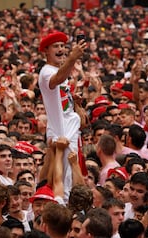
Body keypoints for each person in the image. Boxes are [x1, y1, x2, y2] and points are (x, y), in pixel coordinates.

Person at [38, 31, 86, 200]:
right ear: (46, 51)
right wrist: (72, 58)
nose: (61, 50)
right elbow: (56, 79)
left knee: (72, 176)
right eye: (56, 46)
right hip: (61, 132)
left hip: (70, 129)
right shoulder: (46, 71)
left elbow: (60, 99)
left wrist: (73, 100)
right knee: (62, 180)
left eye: (63, 46)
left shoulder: (60, 71)